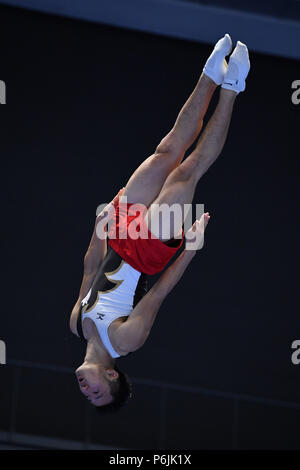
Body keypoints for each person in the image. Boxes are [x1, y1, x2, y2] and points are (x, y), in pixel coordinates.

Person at [69, 33, 250, 410]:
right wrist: (190, 248)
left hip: (117, 233)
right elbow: (158, 293)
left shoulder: (76, 323)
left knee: (167, 150)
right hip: (147, 253)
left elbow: (89, 269)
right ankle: (232, 89)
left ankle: (210, 74)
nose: (87, 390)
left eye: (86, 395)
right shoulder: (124, 342)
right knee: (188, 170)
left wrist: (98, 228)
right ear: (112, 376)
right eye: (97, 393)